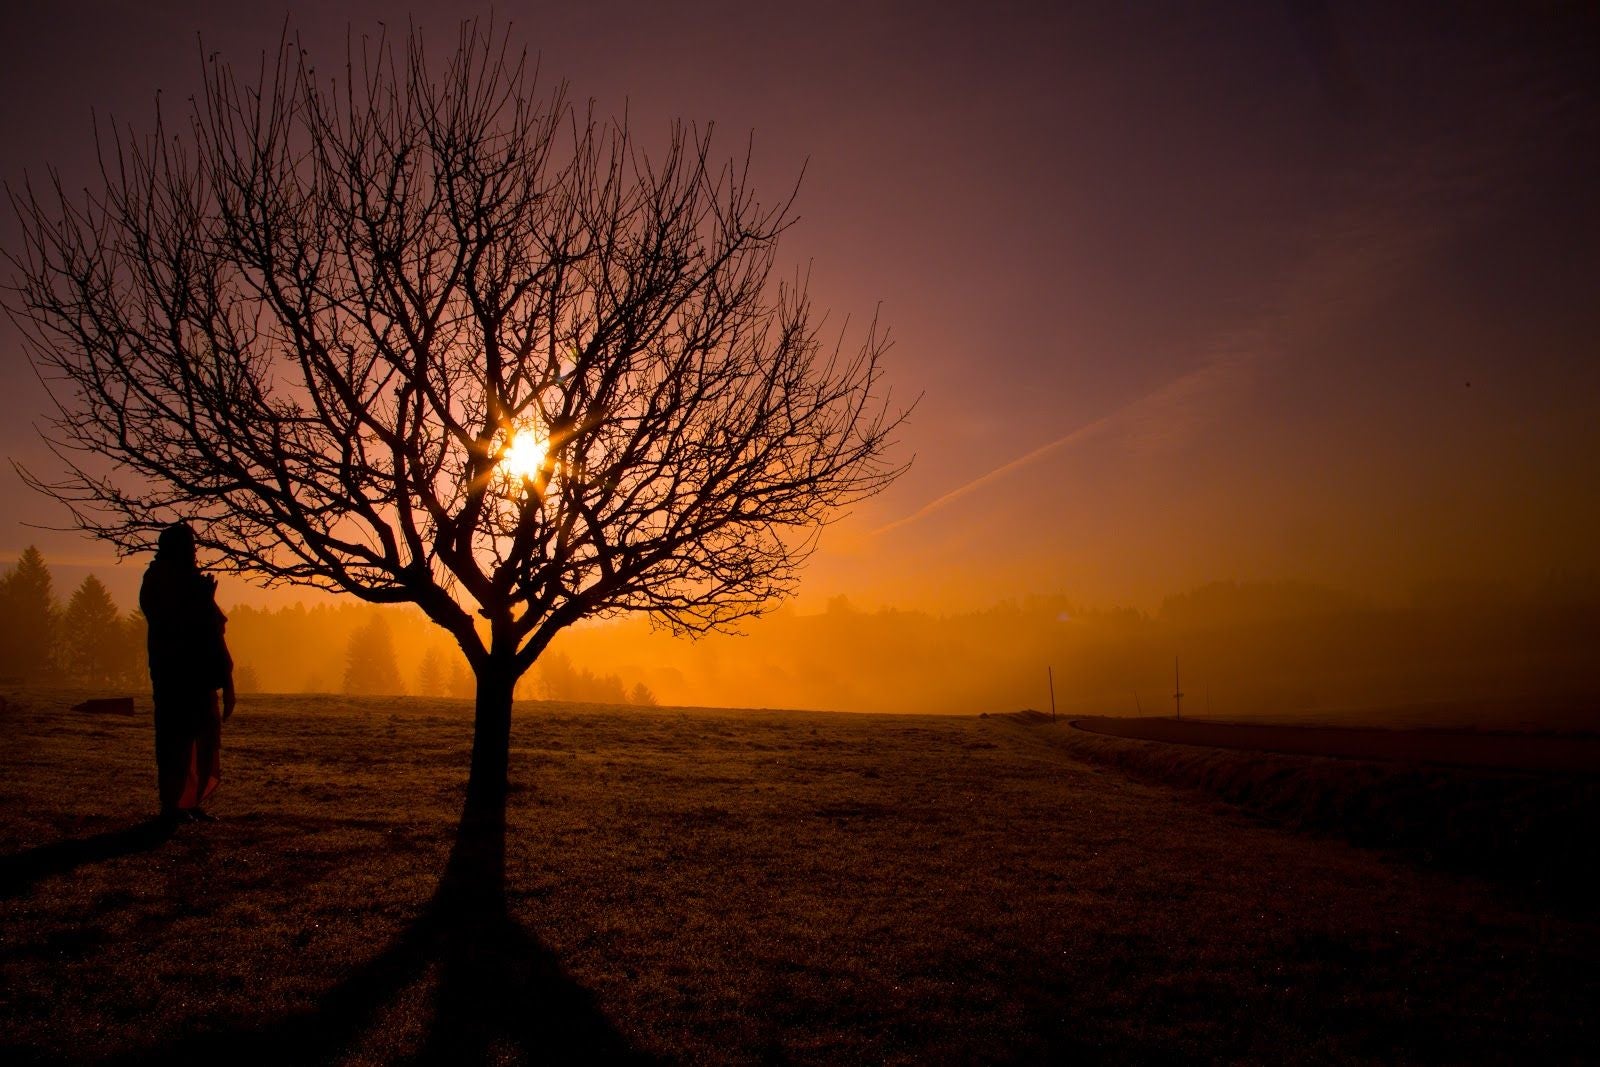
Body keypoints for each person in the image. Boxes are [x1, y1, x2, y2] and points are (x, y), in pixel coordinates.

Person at [140, 522, 235, 822]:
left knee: (203, 738)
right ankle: (173, 804)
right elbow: (171, 622)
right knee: (176, 740)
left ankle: (191, 801)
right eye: (189, 547)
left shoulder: (191, 580)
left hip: (200, 675)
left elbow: (212, 628)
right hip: (175, 674)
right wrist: (201, 600)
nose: (194, 554)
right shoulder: (158, 579)